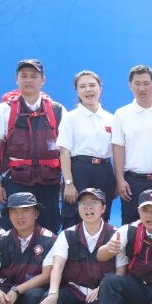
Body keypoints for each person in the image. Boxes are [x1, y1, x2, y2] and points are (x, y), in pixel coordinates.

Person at [26, 187, 117, 304]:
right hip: (74, 289)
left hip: (100, 291)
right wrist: (53, 293)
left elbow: (121, 271)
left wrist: (103, 288)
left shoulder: (115, 234)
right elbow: (58, 265)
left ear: (103, 208)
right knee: (48, 300)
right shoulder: (67, 234)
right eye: (83, 203)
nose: (88, 207)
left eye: (94, 203)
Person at [0, 58, 64, 231]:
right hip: (16, 180)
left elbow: (66, 151)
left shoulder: (57, 110)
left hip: (50, 181)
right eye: (24, 76)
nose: (28, 80)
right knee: (12, 230)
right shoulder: (3, 110)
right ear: (16, 79)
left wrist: (68, 181)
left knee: (50, 229)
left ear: (43, 80)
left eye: (34, 76)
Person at [112, 64, 152, 225]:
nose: (142, 88)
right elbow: (118, 148)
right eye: (137, 84)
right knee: (131, 225)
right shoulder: (122, 114)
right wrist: (120, 179)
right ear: (130, 86)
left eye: (146, 83)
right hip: (132, 181)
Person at [56, 70, 117, 228]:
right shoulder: (70, 118)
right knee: (74, 217)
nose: (88, 90)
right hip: (79, 172)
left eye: (92, 85)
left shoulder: (111, 119)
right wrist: (68, 183)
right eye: (82, 86)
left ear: (100, 88)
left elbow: (117, 153)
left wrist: (117, 180)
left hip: (104, 172)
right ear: (77, 91)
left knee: (102, 217)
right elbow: (64, 152)